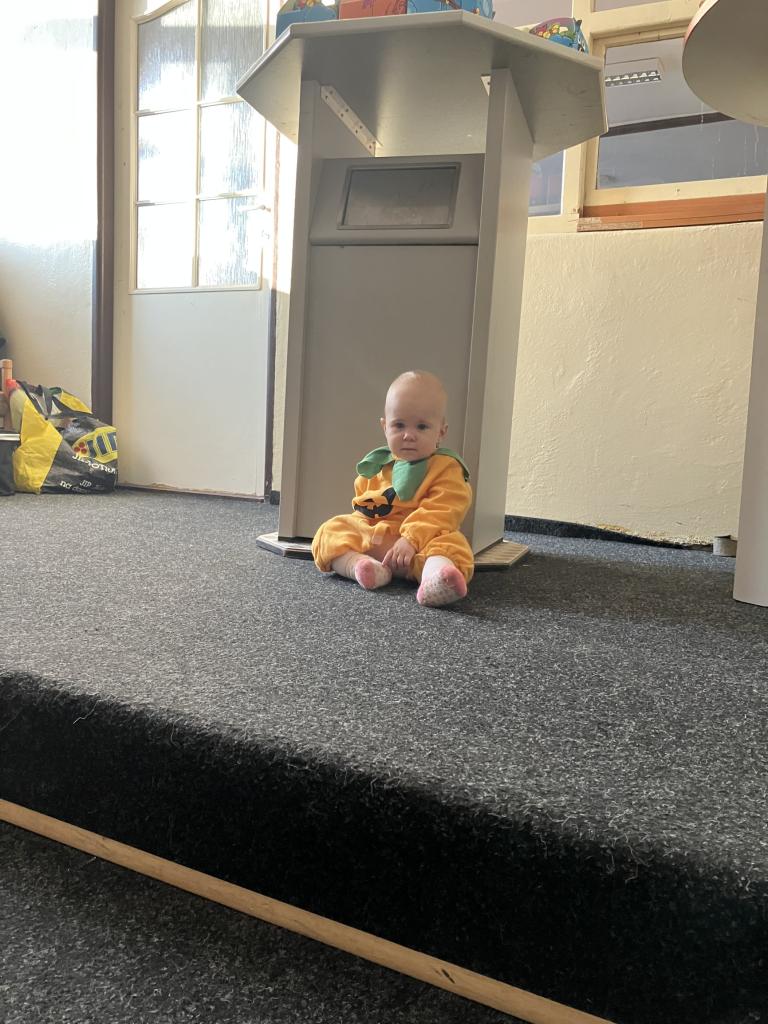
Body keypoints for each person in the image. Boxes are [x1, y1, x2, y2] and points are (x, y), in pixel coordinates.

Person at [312, 370, 474, 607]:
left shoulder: (447, 467)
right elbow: (362, 506)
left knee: (454, 546)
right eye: (399, 425)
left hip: (421, 543)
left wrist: (410, 539)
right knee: (330, 531)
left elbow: (443, 510)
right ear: (385, 426)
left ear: (441, 431)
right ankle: (362, 566)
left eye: (422, 427)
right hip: (379, 541)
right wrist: (361, 527)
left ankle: (435, 579)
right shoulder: (377, 465)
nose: (409, 435)